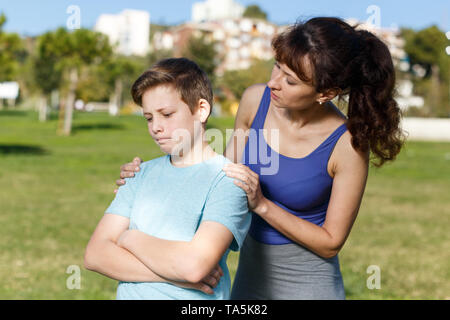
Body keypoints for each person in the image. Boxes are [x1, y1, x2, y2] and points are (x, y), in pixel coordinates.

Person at [116, 17, 405, 300]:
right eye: (276, 67)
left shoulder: (347, 145)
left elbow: (331, 242)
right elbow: (219, 176)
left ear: (325, 93)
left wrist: (262, 205)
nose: (273, 83)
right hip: (250, 276)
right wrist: (147, 180)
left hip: (309, 283)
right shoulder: (256, 101)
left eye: (290, 81)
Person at [84, 57, 251, 300]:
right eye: (149, 118)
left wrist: (127, 237)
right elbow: (95, 255)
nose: (156, 128)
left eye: (167, 114)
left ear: (201, 110)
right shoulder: (139, 174)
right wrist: (172, 274)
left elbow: (194, 266)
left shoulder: (227, 180)